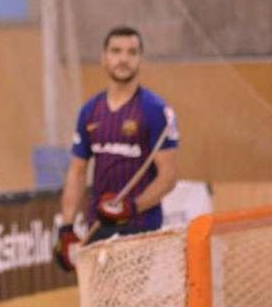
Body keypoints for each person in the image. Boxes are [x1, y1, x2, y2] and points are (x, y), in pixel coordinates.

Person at [53, 27, 179, 272]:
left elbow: (168, 177)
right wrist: (67, 227)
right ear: (104, 57)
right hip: (99, 227)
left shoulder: (155, 110)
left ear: (140, 59)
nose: (123, 58)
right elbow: (77, 171)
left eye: (131, 52)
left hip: (141, 228)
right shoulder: (89, 111)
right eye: (116, 51)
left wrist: (130, 207)